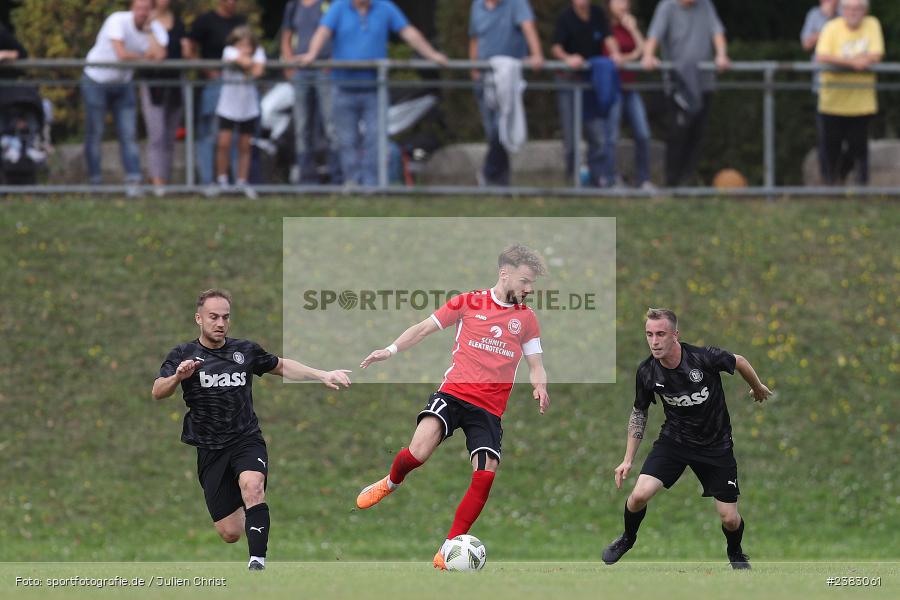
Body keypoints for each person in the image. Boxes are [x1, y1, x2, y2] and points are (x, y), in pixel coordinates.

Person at [355, 245, 549, 570]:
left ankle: (448, 548)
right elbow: (423, 328)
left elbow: (536, 363)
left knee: (485, 474)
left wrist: (539, 385)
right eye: (525, 281)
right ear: (505, 273)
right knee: (417, 452)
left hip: (489, 410)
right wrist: (390, 350)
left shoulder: (526, 319)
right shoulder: (468, 302)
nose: (529, 289)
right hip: (454, 394)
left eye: (532, 283)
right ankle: (390, 482)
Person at [152, 289, 351, 571]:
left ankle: (257, 562)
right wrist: (177, 377)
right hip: (210, 448)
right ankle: (254, 513)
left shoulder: (244, 351)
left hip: (246, 439)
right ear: (199, 318)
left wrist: (322, 374)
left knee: (253, 486)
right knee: (230, 532)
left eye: (225, 317)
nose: (220, 323)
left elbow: (282, 366)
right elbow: (157, 391)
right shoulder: (183, 354)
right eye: (213, 317)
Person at [601, 308, 772, 570]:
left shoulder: (702, 358)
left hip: (716, 446)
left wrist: (757, 387)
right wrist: (627, 459)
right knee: (638, 496)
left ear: (675, 335)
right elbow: (639, 412)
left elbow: (738, 360)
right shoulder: (647, 372)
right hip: (675, 442)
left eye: (660, 334)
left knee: (729, 518)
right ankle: (627, 538)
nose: (654, 341)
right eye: (649, 334)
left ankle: (735, 552)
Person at [296, 0, 447, 187]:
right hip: (343, 88)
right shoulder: (339, 7)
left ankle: (371, 185)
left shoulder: (385, 7)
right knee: (346, 140)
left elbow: (408, 32)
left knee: (375, 139)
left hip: (375, 88)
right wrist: (312, 53)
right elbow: (323, 31)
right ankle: (352, 182)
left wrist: (432, 55)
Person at [81, 0, 166, 196]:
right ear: (132, 9)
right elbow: (121, 53)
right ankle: (95, 184)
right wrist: (145, 58)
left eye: (147, 9)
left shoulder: (155, 29)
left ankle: (133, 183)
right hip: (96, 80)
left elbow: (160, 55)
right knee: (95, 133)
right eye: (139, 8)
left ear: (153, 11)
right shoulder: (117, 20)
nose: (142, 13)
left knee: (128, 134)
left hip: (123, 83)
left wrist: (149, 31)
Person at [642, 0, 730, 187]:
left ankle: (687, 181)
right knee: (677, 134)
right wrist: (648, 55)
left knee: (697, 135)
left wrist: (721, 54)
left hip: (703, 83)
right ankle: (672, 183)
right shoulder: (667, 7)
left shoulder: (705, 6)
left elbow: (717, 32)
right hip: (678, 85)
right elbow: (654, 35)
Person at [469, 0, 544, 187]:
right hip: (484, 77)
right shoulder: (477, 5)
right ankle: (500, 182)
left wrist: (537, 54)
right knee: (491, 130)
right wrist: (473, 68)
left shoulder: (517, 4)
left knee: (500, 127)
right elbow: (474, 38)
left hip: (507, 77)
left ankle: (488, 172)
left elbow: (528, 27)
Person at [815, 0, 883, 186]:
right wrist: (853, 63)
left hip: (861, 102)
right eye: (849, 8)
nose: (853, 12)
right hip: (832, 101)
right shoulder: (831, 27)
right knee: (830, 148)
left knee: (857, 148)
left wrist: (847, 61)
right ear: (842, 10)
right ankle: (831, 188)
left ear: (865, 11)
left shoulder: (872, 24)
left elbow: (876, 54)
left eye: (858, 8)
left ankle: (854, 186)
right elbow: (822, 56)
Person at [550, 0, 618, 187]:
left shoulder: (597, 13)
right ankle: (572, 180)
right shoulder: (565, 17)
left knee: (597, 134)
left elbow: (608, 38)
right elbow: (556, 47)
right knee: (571, 136)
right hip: (569, 80)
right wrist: (568, 58)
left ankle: (597, 179)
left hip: (592, 82)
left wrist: (615, 54)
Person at [185, 0, 247, 188]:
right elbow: (188, 48)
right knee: (209, 133)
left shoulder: (240, 22)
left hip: (236, 87)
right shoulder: (205, 21)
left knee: (234, 135)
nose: (232, 2)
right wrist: (207, 70)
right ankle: (207, 181)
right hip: (213, 86)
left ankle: (234, 181)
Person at [280, 0, 342, 184]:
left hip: (324, 69)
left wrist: (332, 61)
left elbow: (338, 34)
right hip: (301, 71)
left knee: (330, 124)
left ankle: (336, 176)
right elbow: (286, 36)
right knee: (302, 125)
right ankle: (306, 177)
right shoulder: (293, 6)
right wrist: (289, 64)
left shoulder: (328, 4)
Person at [140, 0, 188, 197]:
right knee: (157, 134)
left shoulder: (178, 23)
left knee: (169, 136)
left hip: (174, 83)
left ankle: (164, 180)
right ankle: (156, 181)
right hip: (154, 84)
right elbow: (156, 54)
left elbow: (185, 53)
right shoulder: (145, 22)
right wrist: (150, 28)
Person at [603, 0, 653, 190]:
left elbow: (645, 52)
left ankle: (644, 180)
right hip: (613, 87)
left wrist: (634, 30)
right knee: (612, 136)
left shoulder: (629, 26)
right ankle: (611, 179)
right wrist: (632, 56)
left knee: (643, 133)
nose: (623, 5)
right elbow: (615, 57)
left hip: (630, 87)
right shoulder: (606, 26)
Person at [213, 26, 266, 199]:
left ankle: (242, 181)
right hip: (228, 105)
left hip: (248, 106)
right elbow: (245, 62)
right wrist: (247, 61)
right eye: (240, 45)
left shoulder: (259, 52)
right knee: (224, 144)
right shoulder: (228, 50)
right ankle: (222, 180)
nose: (244, 48)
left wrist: (248, 61)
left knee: (245, 146)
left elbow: (258, 71)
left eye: (247, 45)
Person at [801, 0, 839, 182]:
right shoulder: (814, 15)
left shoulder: (849, 11)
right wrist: (828, 26)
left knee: (851, 137)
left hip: (849, 87)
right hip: (822, 85)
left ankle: (843, 176)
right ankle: (827, 179)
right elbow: (806, 44)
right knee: (825, 134)